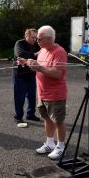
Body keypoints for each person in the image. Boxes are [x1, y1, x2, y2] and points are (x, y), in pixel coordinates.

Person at [20, 25, 67, 160]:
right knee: (46, 118)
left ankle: (61, 146)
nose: (37, 41)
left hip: (56, 94)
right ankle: (49, 143)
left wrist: (39, 68)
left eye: (40, 39)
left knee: (58, 120)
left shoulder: (60, 52)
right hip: (42, 93)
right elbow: (37, 65)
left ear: (49, 38)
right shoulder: (42, 50)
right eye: (37, 39)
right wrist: (27, 62)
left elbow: (58, 73)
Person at [13, 28, 40, 123]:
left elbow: (42, 54)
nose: (34, 40)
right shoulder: (19, 43)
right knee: (20, 97)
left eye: (36, 38)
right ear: (26, 36)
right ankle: (18, 117)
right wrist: (35, 54)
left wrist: (34, 55)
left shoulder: (36, 45)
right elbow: (20, 54)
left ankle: (30, 114)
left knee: (32, 96)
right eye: (32, 37)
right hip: (20, 74)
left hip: (32, 74)